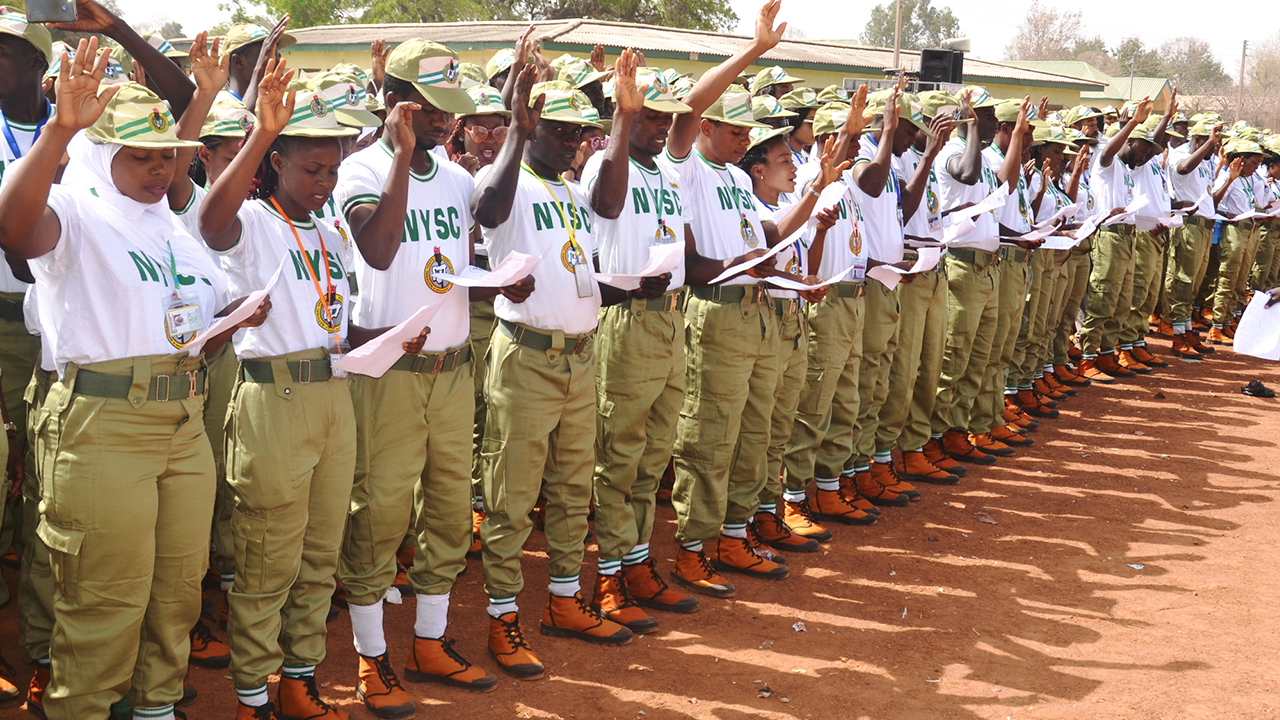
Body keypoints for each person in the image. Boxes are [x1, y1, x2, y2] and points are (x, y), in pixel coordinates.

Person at [0, 39, 265, 720]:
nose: (158, 168)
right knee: (105, 597)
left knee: (177, 589)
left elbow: (182, 318)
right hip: (104, 425)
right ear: (99, 154)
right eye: (138, 155)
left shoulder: (169, 227)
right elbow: (13, 226)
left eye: (166, 155)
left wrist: (229, 318)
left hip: (181, 420)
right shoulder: (77, 212)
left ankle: (153, 707)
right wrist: (61, 127)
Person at [199, 61, 418, 720]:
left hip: (332, 397)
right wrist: (262, 133)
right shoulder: (255, 224)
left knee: (318, 559)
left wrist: (376, 344)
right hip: (274, 400)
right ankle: (252, 697)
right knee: (268, 557)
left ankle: (298, 679)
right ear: (279, 167)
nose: (323, 183)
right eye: (310, 170)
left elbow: (357, 283)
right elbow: (211, 224)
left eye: (331, 171)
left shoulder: (329, 232)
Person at [333, 39, 536, 717]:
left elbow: (450, 265)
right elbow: (381, 249)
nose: (449, 123)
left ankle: (429, 640)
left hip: (450, 369)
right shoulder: (359, 170)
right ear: (396, 108)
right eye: (433, 111)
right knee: (382, 512)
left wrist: (495, 284)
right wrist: (395, 154)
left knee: (450, 509)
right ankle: (370, 656)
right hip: (389, 371)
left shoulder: (453, 178)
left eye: (455, 110)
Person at [660, 0, 843, 597]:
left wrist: (815, 189)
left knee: (756, 432)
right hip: (716, 315)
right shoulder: (682, 166)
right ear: (707, 128)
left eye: (748, 133)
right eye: (734, 129)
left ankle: (734, 533)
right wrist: (754, 51)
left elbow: (767, 237)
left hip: (759, 312)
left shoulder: (739, 178)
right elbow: (688, 108)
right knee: (710, 435)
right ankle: (693, 548)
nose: (743, 141)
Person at [470, 69, 633, 680]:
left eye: (577, 131)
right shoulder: (506, 181)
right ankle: (502, 617)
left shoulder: (568, 192)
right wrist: (516, 129)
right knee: (512, 496)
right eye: (559, 130)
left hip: (579, 353)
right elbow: (488, 210)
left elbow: (601, 222)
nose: (570, 141)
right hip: (528, 357)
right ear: (533, 128)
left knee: (571, 489)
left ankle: (564, 599)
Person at [579, 55, 708, 632]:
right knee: (619, 454)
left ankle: (635, 560)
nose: (660, 126)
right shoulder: (604, 167)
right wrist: (623, 124)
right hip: (626, 321)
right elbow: (607, 205)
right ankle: (609, 575)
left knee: (655, 454)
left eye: (663, 118)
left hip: (670, 319)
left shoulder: (669, 174)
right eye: (649, 116)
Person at [928, 88, 1020, 466]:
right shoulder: (954, 153)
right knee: (955, 357)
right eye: (982, 116)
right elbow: (964, 175)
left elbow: (1005, 187)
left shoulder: (978, 156)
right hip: (962, 265)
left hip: (987, 265)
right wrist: (967, 126)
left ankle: (956, 429)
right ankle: (935, 436)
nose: (988, 122)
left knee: (978, 357)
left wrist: (1016, 138)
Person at [879, 91, 965, 486]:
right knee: (904, 370)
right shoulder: (897, 159)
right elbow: (904, 211)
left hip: (934, 264)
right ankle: (887, 454)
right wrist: (929, 153)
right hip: (908, 272)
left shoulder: (922, 157)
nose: (940, 131)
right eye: (933, 124)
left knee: (931, 365)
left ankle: (918, 445)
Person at [1076, 97, 1154, 382]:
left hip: (1127, 237)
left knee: (1122, 301)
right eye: (1142, 150)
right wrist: (1132, 123)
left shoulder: (1127, 171)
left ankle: (1108, 354)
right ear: (1129, 143)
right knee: (1102, 299)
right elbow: (1109, 150)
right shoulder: (1106, 164)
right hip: (1109, 236)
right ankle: (1087, 358)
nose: (1144, 156)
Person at [1164, 121, 1222, 358]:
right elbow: (1184, 169)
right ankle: (1178, 336)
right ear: (1198, 139)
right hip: (1189, 226)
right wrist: (1208, 143)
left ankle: (1187, 330)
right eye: (1211, 141)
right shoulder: (1180, 153)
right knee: (1184, 281)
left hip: (1205, 225)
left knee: (1195, 284)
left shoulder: (1208, 161)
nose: (1215, 147)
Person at [1206, 139, 1266, 345]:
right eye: (1254, 163)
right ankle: (1216, 326)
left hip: (1248, 230)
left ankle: (1227, 321)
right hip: (1233, 231)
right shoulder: (1228, 176)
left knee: (1240, 281)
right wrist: (1229, 179)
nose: (1257, 168)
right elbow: (1214, 203)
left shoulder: (1249, 179)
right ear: (1241, 159)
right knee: (1227, 279)